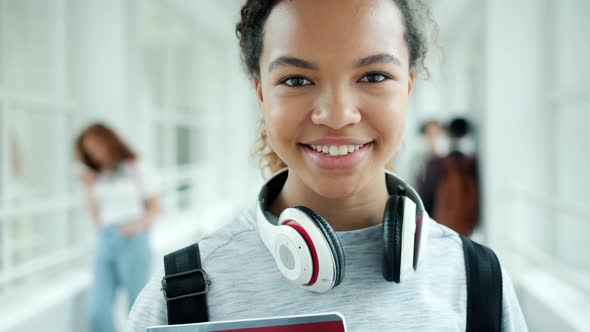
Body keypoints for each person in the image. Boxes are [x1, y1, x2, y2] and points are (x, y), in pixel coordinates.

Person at [128, 1, 527, 331]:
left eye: (373, 75)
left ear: (407, 87)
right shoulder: (179, 296)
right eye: (297, 80)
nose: (337, 115)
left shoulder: (478, 280)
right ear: (261, 94)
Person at [76, 123, 161, 332]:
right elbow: (96, 215)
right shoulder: (99, 175)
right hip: (105, 239)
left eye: (96, 147)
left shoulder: (137, 167)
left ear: (109, 141)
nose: (94, 155)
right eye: (89, 152)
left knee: (136, 307)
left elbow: (155, 208)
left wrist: (134, 227)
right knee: (98, 311)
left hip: (133, 238)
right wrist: (87, 187)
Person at [418, 117, 480, 235]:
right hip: (468, 226)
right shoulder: (473, 163)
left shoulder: (437, 163)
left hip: (441, 224)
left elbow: (425, 196)